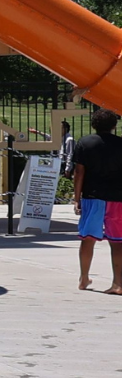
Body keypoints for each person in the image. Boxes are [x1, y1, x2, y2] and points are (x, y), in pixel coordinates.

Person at [74, 106, 122, 293]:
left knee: (88, 239)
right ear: (114, 125)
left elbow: (79, 172)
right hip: (118, 199)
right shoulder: (121, 144)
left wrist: (76, 198)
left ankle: (84, 278)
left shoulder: (85, 143)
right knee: (117, 241)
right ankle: (118, 283)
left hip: (93, 198)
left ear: (94, 124)